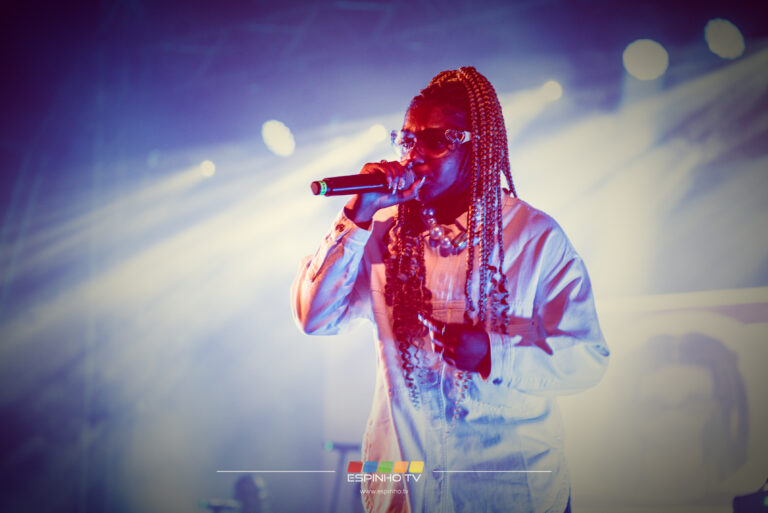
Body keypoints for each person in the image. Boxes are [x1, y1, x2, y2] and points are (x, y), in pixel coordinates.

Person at [291, 67, 609, 513]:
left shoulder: (533, 236)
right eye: (407, 140)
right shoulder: (380, 232)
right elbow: (314, 318)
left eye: (436, 140)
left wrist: (494, 354)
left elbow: (588, 358)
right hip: (405, 492)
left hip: (507, 493)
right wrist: (357, 215)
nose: (415, 155)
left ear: (477, 148)